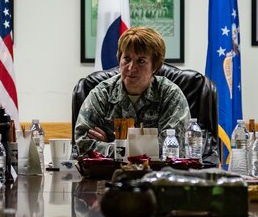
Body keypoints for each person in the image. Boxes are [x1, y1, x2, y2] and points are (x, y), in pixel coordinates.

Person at [74, 27, 191, 156]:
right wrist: (120, 149)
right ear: (119, 59)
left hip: (155, 170)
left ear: (155, 66)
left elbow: (174, 148)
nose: (131, 67)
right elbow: (82, 144)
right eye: (127, 59)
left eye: (141, 61)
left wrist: (114, 147)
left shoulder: (170, 95)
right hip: (109, 170)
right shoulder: (102, 94)